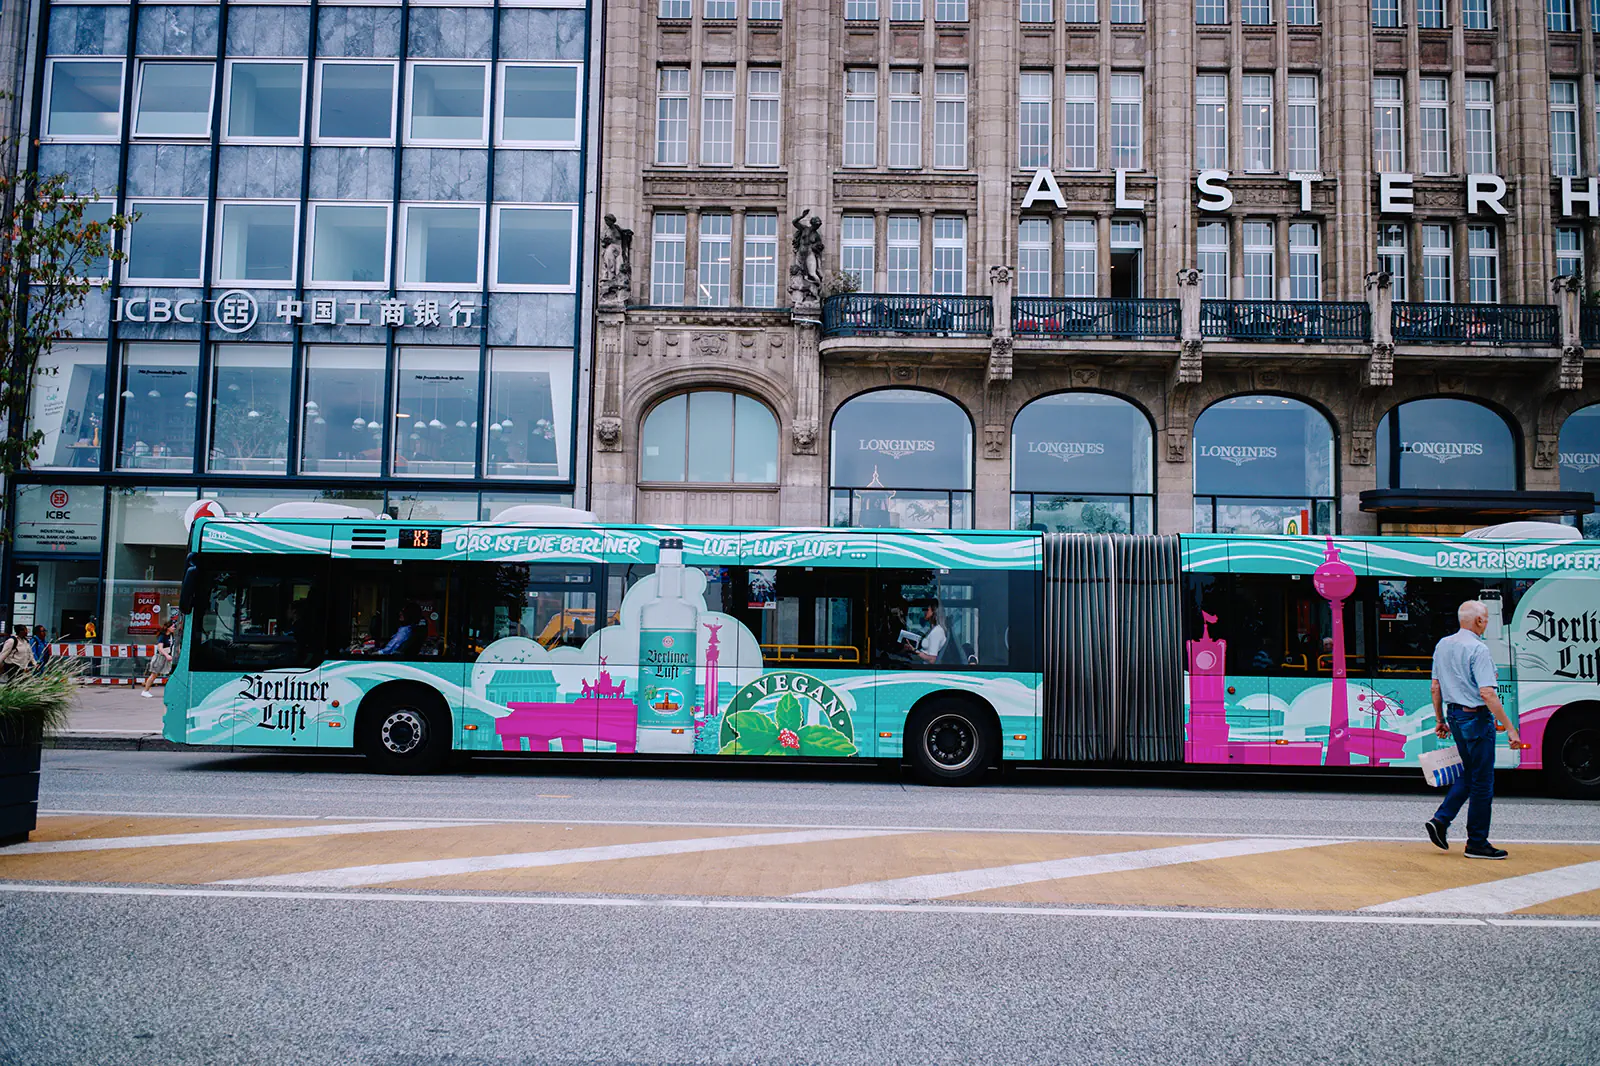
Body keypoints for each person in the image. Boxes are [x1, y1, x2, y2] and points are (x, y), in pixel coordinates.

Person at [1425, 599, 1521, 860]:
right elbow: (1487, 693)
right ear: (1479, 621)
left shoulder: (1443, 645)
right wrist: (1511, 729)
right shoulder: (1479, 650)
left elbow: (1435, 687)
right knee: (1482, 782)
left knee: (1470, 773)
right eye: (1486, 618)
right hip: (1476, 719)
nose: (1487, 622)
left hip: (1454, 716)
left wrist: (1439, 720)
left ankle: (1441, 821)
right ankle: (1477, 842)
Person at [141, 616, 178, 698]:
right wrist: (167, 655)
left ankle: (172, 691)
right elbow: (160, 648)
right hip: (161, 657)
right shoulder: (162, 636)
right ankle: (145, 691)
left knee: (169, 673)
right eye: (172, 626)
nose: (174, 628)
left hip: (167, 657)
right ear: (167, 627)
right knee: (154, 674)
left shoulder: (171, 636)